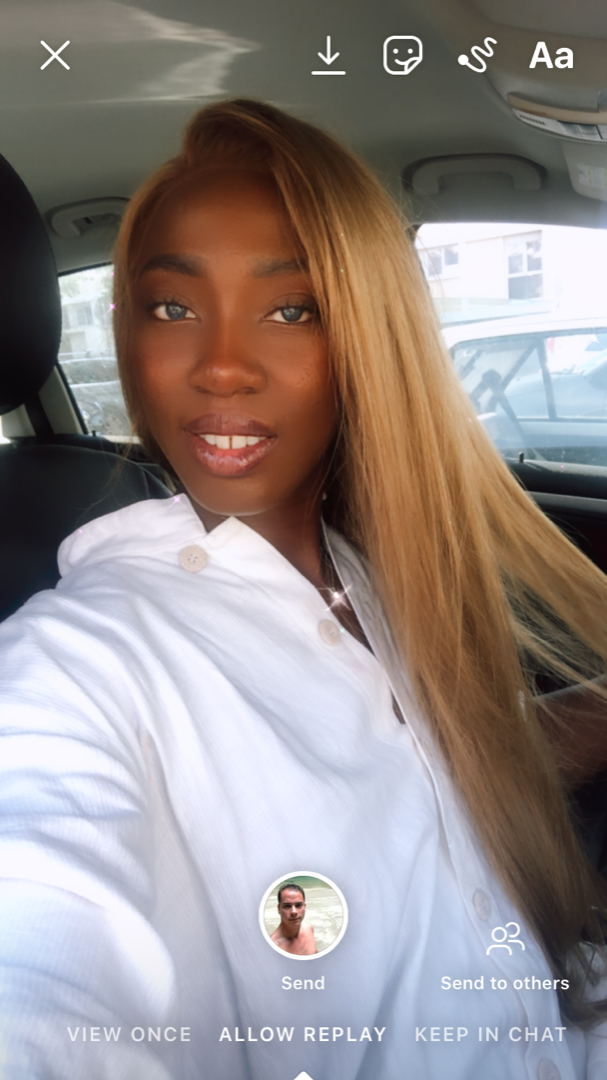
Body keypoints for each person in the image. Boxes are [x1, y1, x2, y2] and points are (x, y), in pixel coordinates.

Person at [1, 97, 607, 1079]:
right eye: (172, 308)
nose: (221, 366)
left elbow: (430, 771)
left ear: (368, 340)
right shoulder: (70, 666)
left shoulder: (361, 571)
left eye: (290, 310)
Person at [270, 884, 317, 955]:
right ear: (279, 909)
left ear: (304, 907)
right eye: (287, 906)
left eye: (298, 905)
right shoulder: (273, 945)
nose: (294, 912)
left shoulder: (309, 928)